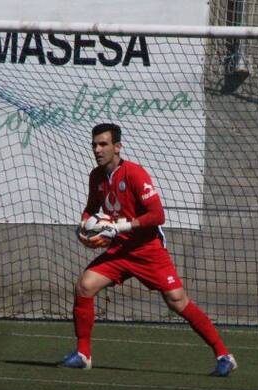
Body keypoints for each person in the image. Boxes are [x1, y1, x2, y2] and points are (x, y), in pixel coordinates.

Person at [61, 123, 237, 377]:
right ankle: (83, 354)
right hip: (120, 251)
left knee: (177, 301)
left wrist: (119, 226)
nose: (97, 150)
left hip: (147, 250)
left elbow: (157, 215)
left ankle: (224, 355)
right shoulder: (96, 176)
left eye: (103, 144)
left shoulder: (135, 173)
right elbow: (90, 209)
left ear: (117, 147)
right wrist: (83, 228)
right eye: (94, 145)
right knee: (84, 286)